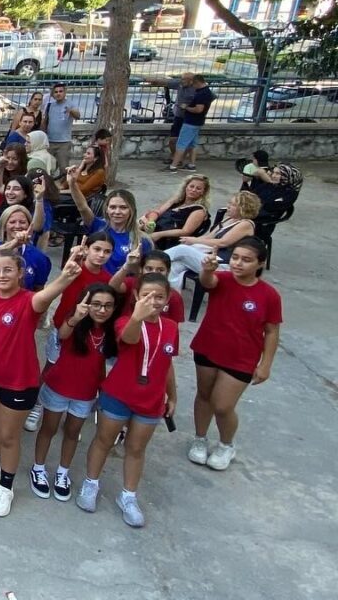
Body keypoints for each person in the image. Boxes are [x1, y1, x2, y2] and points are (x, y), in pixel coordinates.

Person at [0, 250, 83, 518]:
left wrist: (66, 276)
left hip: (18, 382)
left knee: (8, 436)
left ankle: (6, 487)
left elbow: (49, 293)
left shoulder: (29, 301)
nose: (1, 275)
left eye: (8, 270)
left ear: (20, 273)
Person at [76, 273, 180, 528]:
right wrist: (138, 316)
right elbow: (130, 339)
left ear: (168, 298)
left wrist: (172, 394)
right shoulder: (125, 321)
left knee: (136, 448)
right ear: (135, 296)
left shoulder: (170, 327)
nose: (153, 301)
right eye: (146, 295)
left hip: (151, 400)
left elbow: (167, 363)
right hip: (118, 395)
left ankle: (128, 496)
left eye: (159, 296)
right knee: (104, 440)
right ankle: (91, 483)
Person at [186, 238, 281, 471]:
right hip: (208, 347)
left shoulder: (269, 295)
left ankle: (226, 444)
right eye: (235, 257)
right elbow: (207, 282)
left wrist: (266, 364)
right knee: (204, 395)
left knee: (222, 405)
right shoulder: (223, 279)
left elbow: (271, 331)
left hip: (241, 358)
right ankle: (200, 438)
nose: (238, 263)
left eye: (246, 260)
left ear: (260, 263)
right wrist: (207, 269)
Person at [30, 283, 119, 502]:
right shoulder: (74, 323)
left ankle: (63, 472)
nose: (102, 310)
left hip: (86, 393)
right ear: (85, 304)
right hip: (58, 387)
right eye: (96, 304)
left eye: (108, 305)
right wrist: (75, 318)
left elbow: (101, 365)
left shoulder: (111, 332)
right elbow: (62, 334)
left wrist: (101, 389)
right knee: (48, 428)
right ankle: (38, 468)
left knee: (72, 432)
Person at [162, 190, 259, 287]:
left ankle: (156, 259)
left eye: (233, 205)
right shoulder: (229, 219)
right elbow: (209, 237)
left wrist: (194, 240)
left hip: (222, 264)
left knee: (182, 250)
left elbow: (223, 242)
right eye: (229, 203)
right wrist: (190, 241)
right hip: (209, 256)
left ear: (243, 208)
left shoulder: (246, 224)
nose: (228, 206)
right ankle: (171, 294)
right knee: (175, 266)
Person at [141, 174, 212, 250]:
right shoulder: (176, 201)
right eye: (191, 186)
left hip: (168, 241)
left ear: (203, 192)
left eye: (198, 188)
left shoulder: (199, 210)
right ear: (186, 187)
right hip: (153, 232)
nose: (193, 190)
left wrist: (159, 234)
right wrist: (151, 221)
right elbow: (157, 212)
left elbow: (185, 231)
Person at [166, 74, 214, 173]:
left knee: (181, 144)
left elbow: (198, 109)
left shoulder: (202, 93)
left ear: (196, 82)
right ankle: (191, 165)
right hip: (197, 121)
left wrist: (186, 107)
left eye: (193, 84)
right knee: (193, 144)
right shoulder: (206, 91)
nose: (193, 87)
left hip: (191, 122)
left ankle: (173, 166)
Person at [143, 72, 195, 161]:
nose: (181, 81)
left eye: (184, 79)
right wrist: (150, 80)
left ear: (191, 81)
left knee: (187, 142)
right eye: (181, 79)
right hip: (178, 116)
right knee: (173, 140)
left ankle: (182, 160)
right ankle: (174, 157)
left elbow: (207, 99)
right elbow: (164, 82)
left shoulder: (197, 88)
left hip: (190, 118)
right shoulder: (180, 84)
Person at [41, 83, 81, 170]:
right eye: (56, 92)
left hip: (64, 142)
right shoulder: (49, 105)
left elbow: (78, 116)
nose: (58, 93)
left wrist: (70, 111)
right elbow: (45, 121)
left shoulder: (71, 104)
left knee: (64, 167)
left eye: (60, 91)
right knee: (48, 167)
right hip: (50, 142)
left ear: (65, 92)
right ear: (53, 94)